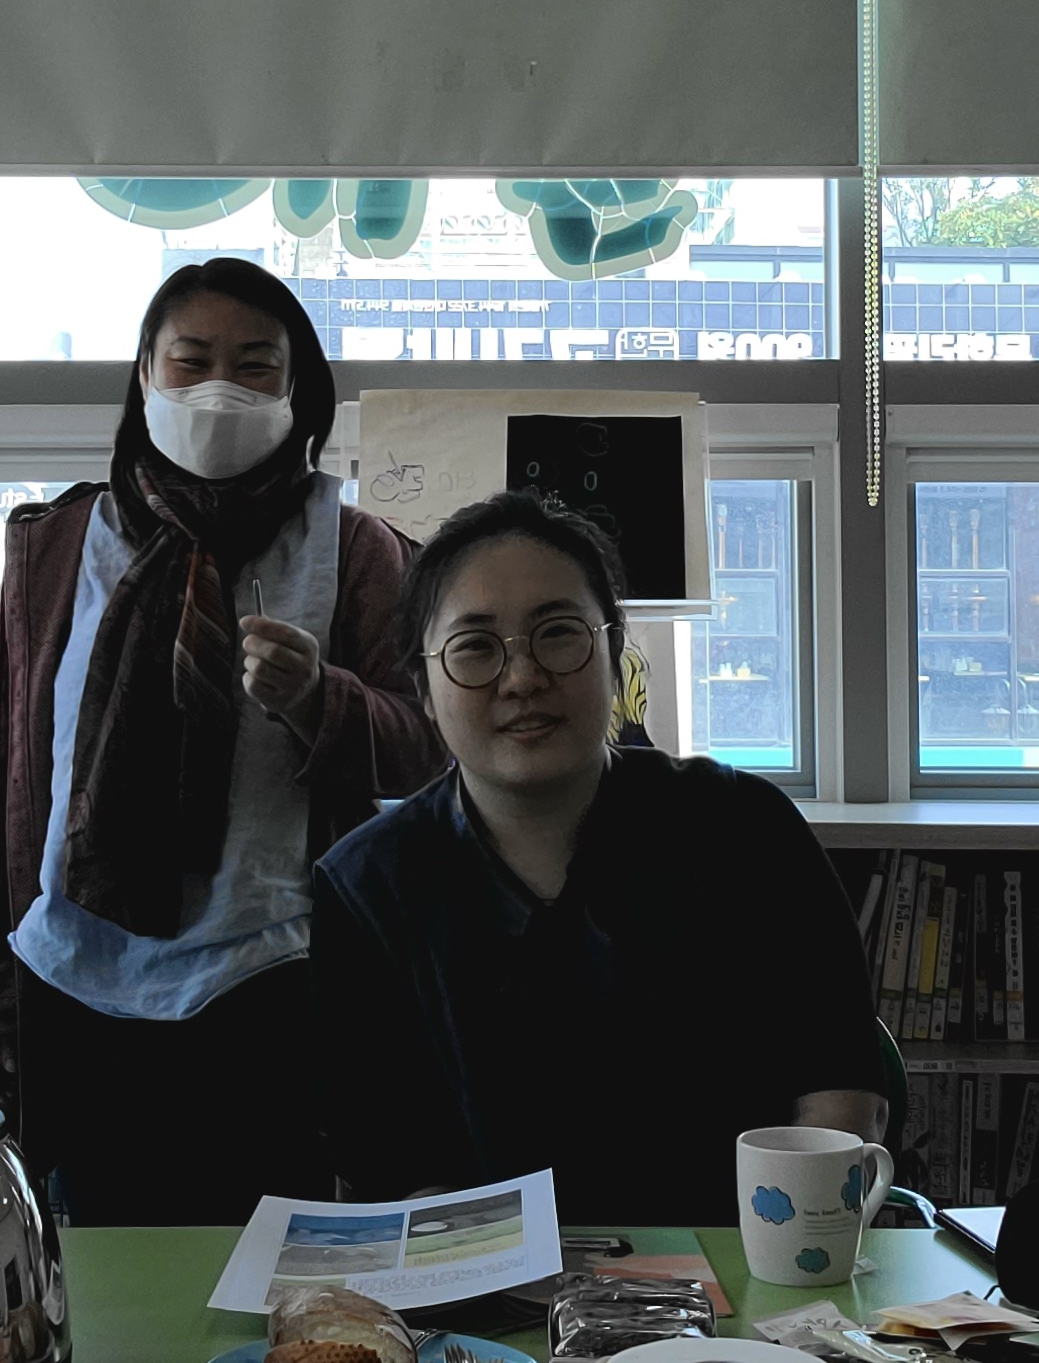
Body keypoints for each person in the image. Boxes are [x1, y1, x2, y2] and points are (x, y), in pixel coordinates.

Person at [0, 259, 441, 1221]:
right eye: (191, 362)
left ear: (297, 389)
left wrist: (321, 701)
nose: (219, 390)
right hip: (74, 979)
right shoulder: (54, 547)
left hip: (279, 981)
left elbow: (430, 754)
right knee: (100, 1267)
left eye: (255, 366)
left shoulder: (357, 549)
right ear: (144, 377)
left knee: (274, 1265)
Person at [309, 491, 895, 1223]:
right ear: (423, 689)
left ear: (615, 657)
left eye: (559, 634)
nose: (522, 678)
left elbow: (840, 1087)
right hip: (487, 1285)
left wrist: (793, 1254)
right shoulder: (366, 888)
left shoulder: (745, 829)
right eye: (476, 647)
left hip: (741, 1269)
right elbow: (383, 1163)